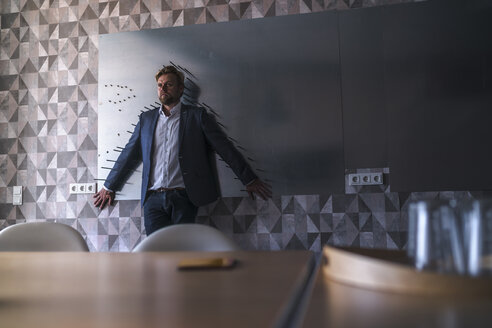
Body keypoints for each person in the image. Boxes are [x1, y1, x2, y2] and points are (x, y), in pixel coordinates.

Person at [93, 66, 271, 235]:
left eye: (169, 84)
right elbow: (129, 153)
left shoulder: (197, 116)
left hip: (184, 197)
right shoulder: (146, 119)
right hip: (152, 199)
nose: (163, 88)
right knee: (155, 252)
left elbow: (224, 148)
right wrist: (109, 185)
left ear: (180, 89)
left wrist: (248, 178)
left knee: (182, 252)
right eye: (160, 85)